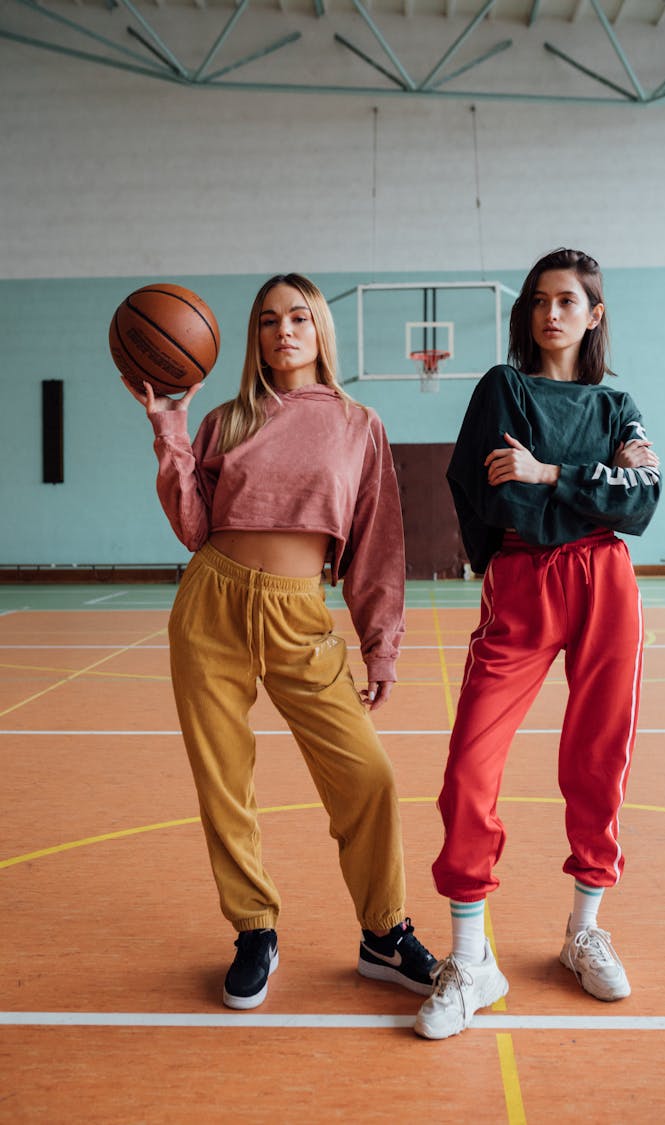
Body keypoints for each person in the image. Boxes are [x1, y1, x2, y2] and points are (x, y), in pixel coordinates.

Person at [124, 273, 435, 1009]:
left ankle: (384, 932)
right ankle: (254, 928)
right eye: (268, 320)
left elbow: (376, 546)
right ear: (256, 337)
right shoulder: (227, 419)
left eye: (298, 316)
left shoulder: (360, 424)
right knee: (224, 778)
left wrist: (379, 644)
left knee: (370, 776)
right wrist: (169, 426)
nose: (283, 331)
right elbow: (194, 527)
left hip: (301, 615)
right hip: (211, 603)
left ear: (322, 328)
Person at [414, 249, 662, 1040]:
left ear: (593, 315)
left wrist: (550, 471)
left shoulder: (619, 404)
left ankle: (584, 927)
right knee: (469, 763)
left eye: (568, 301)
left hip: (604, 581)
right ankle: (469, 959)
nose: (550, 313)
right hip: (522, 579)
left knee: (599, 755)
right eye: (538, 301)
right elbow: (486, 485)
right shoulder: (504, 389)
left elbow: (646, 498)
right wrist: (589, 485)